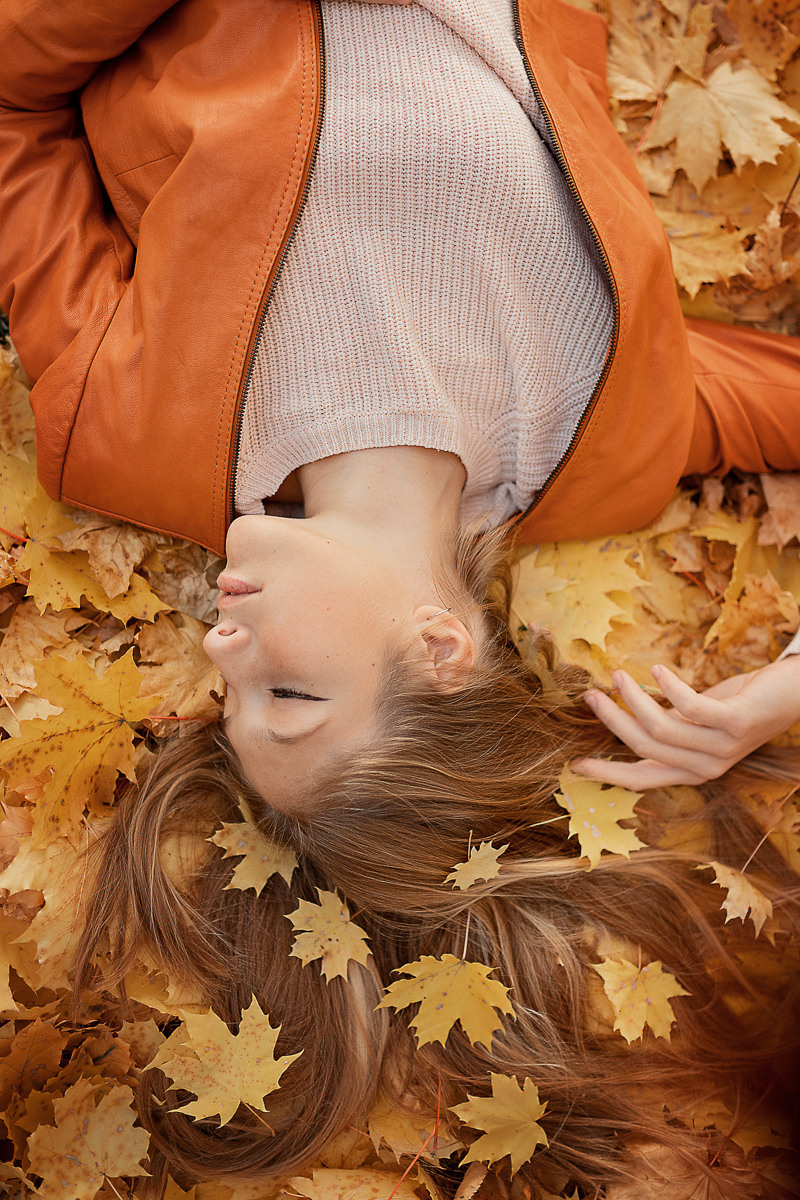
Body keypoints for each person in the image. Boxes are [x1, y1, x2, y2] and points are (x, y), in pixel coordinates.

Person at [2, 0, 800, 1194]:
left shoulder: (119, 436)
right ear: (437, 647)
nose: (222, 646)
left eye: (230, 697)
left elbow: (11, 95)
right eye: (288, 691)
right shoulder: (610, 442)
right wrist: (787, 690)